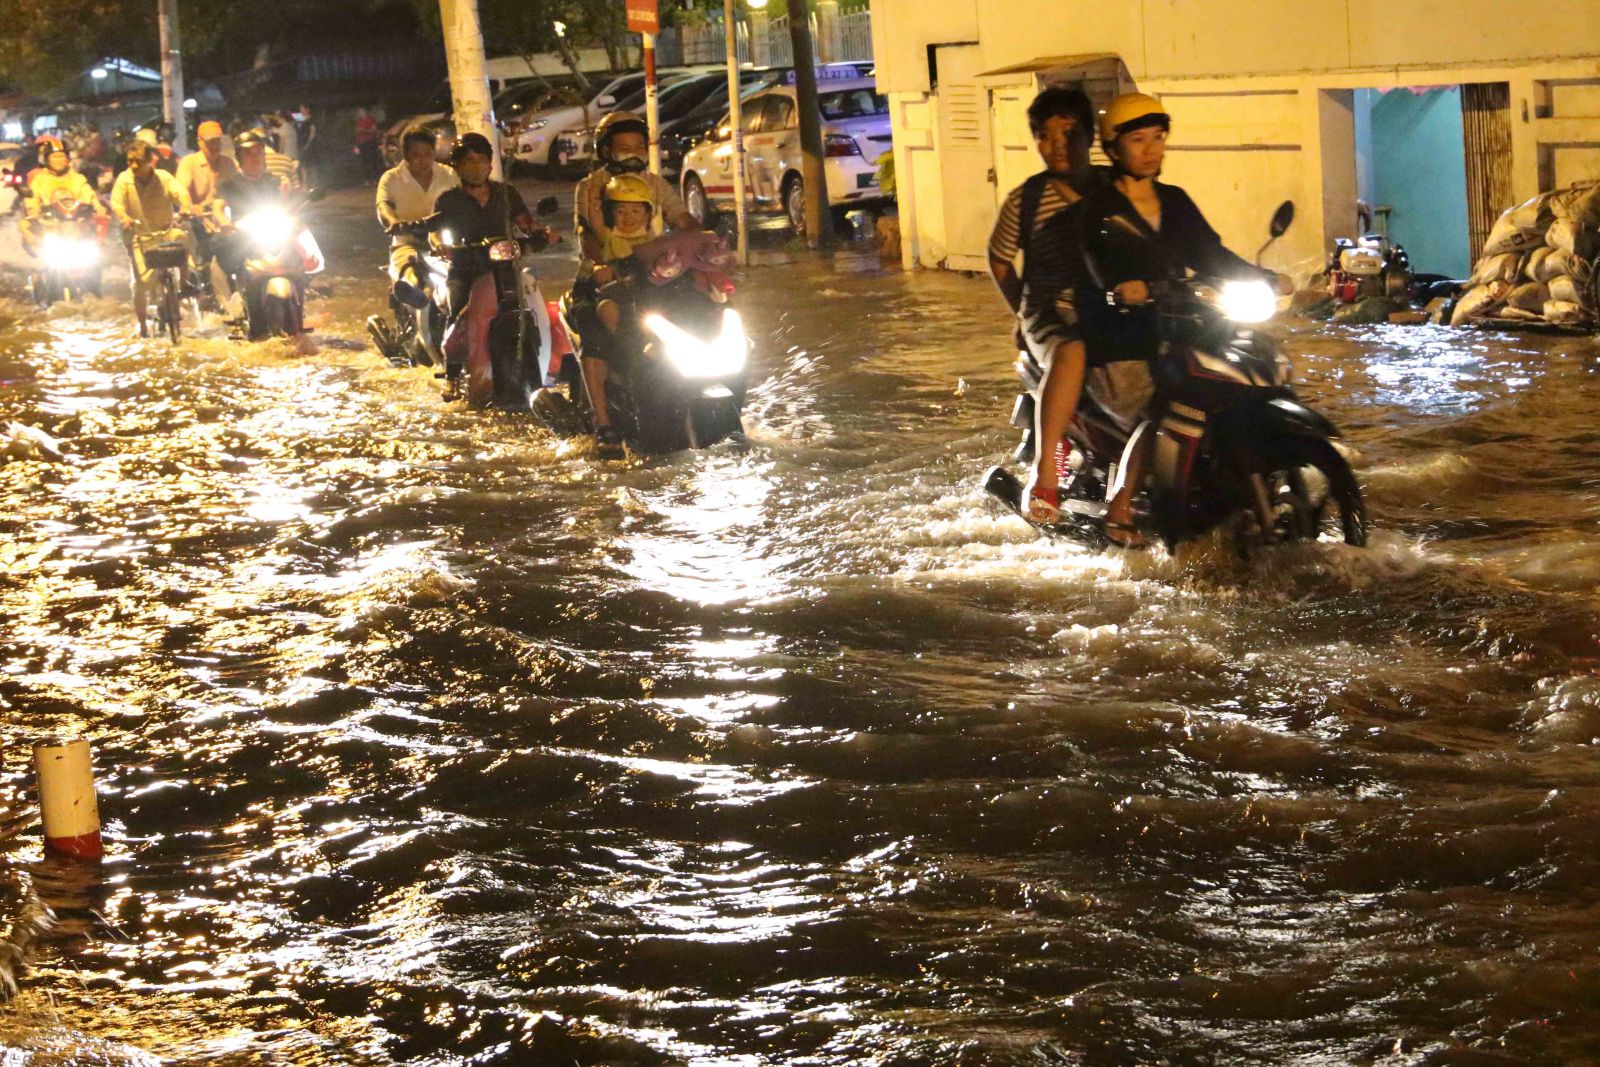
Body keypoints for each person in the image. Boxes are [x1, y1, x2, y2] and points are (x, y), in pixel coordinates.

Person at [1077, 92, 1284, 544]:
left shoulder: (1175, 201)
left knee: (1249, 375)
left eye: (1158, 138)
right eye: (1138, 140)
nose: (1152, 150)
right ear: (1113, 149)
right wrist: (1128, 289)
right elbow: (1102, 271)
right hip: (1123, 341)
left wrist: (1266, 277)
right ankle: (1120, 510)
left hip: (1179, 328)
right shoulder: (1099, 210)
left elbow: (1212, 256)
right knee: (1165, 408)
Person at [985, 86, 1106, 527]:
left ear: (1089, 136)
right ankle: (1045, 476)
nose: (1057, 146)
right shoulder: (1027, 199)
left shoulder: (1118, 188)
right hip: (1051, 315)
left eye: (1068, 134)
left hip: (1111, 311)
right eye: (1044, 136)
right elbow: (999, 261)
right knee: (1070, 351)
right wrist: (1022, 312)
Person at [569, 110, 699, 446]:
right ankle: (603, 420)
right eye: (623, 146)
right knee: (596, 331)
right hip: (603, 280)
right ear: (606, 149)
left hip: (651, 275)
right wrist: (600, 265)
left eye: (638, 146)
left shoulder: (656, 182)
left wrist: (704, 242)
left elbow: (681, 216)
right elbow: (588, 233)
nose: (632, 152)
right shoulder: (591, 186)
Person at [429, 133, 557, 398]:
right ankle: (452, 373)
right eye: (468, 161)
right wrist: (440, 244)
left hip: (504, 270)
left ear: (490, 163)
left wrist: (543, 233)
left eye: (481, 160)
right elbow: (435, 232)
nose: (475, 166)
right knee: (459, 311)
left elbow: (526, 224)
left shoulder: (506, 194)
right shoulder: (448, 201)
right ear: (457, 166)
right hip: (465, 270)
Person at [111, 140, 195, 336]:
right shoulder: (124, 180)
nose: (133, 166)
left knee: (183, 237)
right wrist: (124, 218)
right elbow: (117, 203)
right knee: (141, 284)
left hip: (166, 232)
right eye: (130, 161)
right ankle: (142, 325)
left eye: (138, 161)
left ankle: (184, 283)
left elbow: (180, 192)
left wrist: (185, 207)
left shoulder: (163, 178)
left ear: (150, 161)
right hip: (139, 237)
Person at [212, 130, 290, 324]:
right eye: (248, 153)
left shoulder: (276, 181)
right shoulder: (229, 184)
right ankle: (232, 307)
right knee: (220, 260)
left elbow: (290, 207)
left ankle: (300, 300)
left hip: (274, 234)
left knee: (299, 259)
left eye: (258, 152)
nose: (255, 157)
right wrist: (223, 222)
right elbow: (218, 206)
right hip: (243, 237)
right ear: (239, 157)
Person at [375, 125, 459, 290]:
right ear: (406, 155)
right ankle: (414, 292)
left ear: (434, 153)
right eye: (416, 155)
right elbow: (383, 206)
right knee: (410, 271)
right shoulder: (391, 179)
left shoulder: (449, 175)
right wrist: (394, 223)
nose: (423, 160)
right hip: (407, 243)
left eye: (428, 154)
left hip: (444, 244)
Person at [23, 136, 107, 256]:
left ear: (67, 159)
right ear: (47, 159)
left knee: (95, 247)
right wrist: (33, 211)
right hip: (51, 225)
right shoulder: (40, 179)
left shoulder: (77, 178)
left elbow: (88, 193)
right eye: (55, 156)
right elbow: (32, 198)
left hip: (77, 224)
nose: (58, 160)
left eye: (61, 156)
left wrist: (98, 208)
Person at [354, 107, 382, 182]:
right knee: (364, 161)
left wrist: (363, 130)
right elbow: (356, 131)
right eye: (359, 112)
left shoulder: (371, 119)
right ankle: (367, 179)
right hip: (361, 143)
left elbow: (374, 130)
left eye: (361, 111)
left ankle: (376, 178)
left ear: (365, 112)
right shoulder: (358, 121)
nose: (359, 113)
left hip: (370, 142)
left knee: (373, 160)